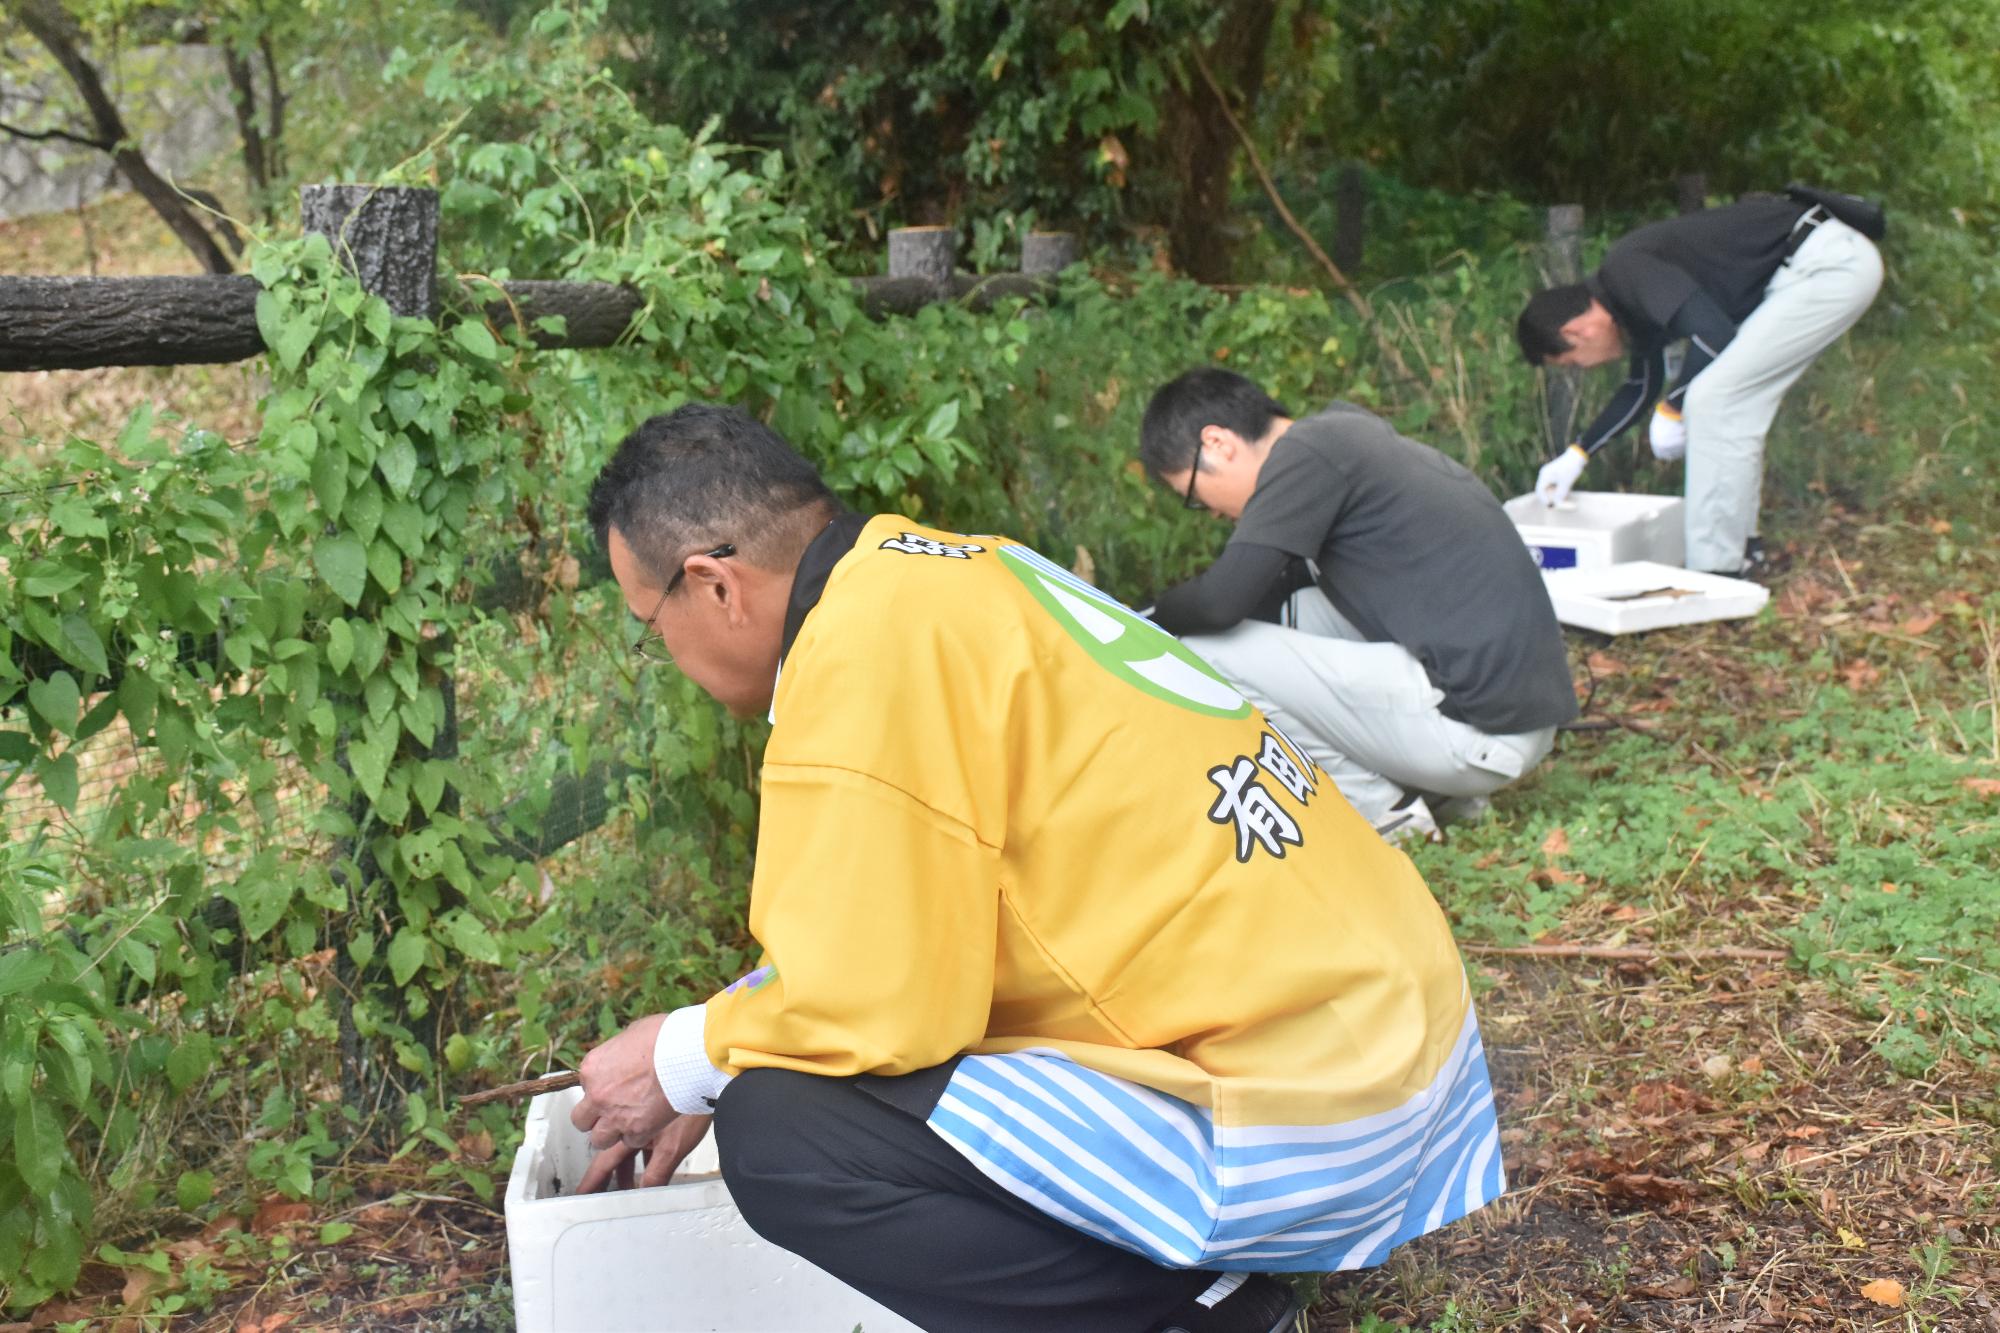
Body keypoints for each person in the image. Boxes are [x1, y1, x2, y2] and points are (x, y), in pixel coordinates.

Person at [568, 403, 1506, 1333]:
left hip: (1321, 1107)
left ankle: (1199, 1311)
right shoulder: (950, 570)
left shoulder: (859, 661)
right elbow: (891, 916)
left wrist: (693, 1058)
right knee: (789, 1073)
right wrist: (722, 1048)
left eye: (650, 624)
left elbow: (874, 1002)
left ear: (713, 585)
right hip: (1400, 1035)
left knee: (784, 1135)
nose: (665, 653)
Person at [1136, 369, 1576, 835]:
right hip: (1509, 721)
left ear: (1218, 443)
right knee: (1298, 610)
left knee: (1205, 650)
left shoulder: (1306, 456)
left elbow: (1219, 603)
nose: (1213, 514)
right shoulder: (1341, 438)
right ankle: (1441, 796)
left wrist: (1142, 619)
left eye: (1193, 497)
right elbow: (1266, 594)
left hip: (1481, 738)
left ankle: (1388, 812)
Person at [1516, 189, 1884, 574]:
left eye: (1571, 363)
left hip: (1827, 265)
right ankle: (1743, 549)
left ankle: (1714, 571)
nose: (1583, 369)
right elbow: (1640, 387)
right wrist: (1579, 454)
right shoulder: (1623, 301)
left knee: (1712, 399)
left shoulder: (1627, 271)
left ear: (1576, 332)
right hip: (1815, 265)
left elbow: (1713, 334)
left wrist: (1674, 407)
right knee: (1732, 405)